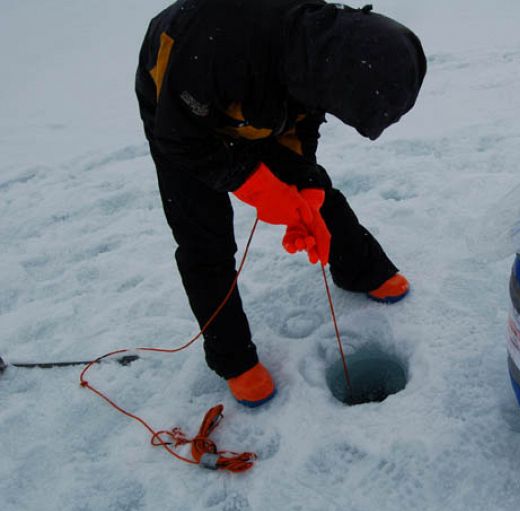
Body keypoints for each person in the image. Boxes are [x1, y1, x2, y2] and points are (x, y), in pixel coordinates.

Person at [135, 0, 426, 407]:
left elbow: (303, 120)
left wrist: (303, 184)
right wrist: (256, 185)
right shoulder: (218, 48)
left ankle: (360, 268)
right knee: (203, 233)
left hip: (255, 91)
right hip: (178, 97)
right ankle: (231, 357)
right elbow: (180, 140)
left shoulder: (322, 48)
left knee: (313, 189)